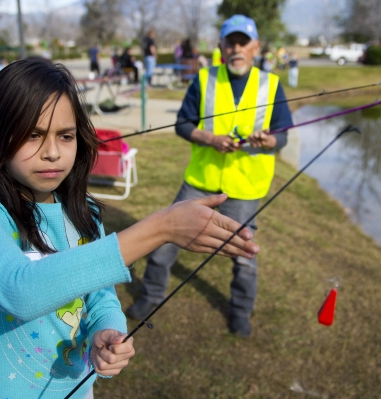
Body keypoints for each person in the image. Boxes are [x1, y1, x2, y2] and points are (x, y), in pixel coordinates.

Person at [0, 57, 259, 399]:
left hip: (77, 392)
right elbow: (19, 292)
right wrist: (160, 229)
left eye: (65, 135)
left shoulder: (82, 212)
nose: (52, 152)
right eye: (33, 135)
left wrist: (108, 329)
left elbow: (100, 295)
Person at [126, 14, 293, 338]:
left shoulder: (271, 84)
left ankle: (241, 312)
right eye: (230, 42)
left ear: (255, 47)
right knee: (163, 242)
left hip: (246, 186)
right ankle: (151, 296)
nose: (237, 49)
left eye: (243, 43)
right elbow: (182, 125)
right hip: (200, 181)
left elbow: (283, 135)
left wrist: (268, 140)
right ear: (220, 46)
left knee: (244, 254)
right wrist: (211, 139)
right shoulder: (204, 79)